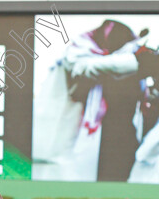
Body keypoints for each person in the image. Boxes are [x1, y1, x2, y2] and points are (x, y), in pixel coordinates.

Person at [32, 19, 157, 181]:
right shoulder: (78, 54)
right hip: (60, 153)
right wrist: (137, 61)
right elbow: (87, 67)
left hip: (117, 145)